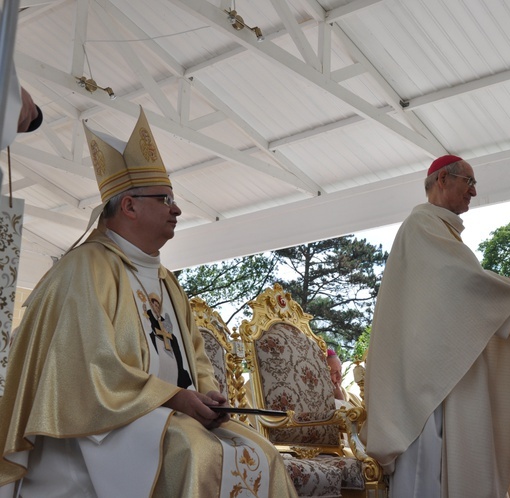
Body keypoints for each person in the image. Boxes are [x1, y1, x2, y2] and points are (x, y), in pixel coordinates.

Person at [0, 107, 296, 497]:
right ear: (129, 206)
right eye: (165, 198)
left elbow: (195, 356)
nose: (176, 209)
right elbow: (88, 369)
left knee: (262, 451)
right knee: (196, 452)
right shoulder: (85, 269)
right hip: (98, 425)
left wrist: (206, 396)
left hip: (166, 411)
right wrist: (174, 397)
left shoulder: (166, 280)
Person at [362, 154, 510, 498]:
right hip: (427, 384)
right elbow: (461, 287)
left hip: (437, 373)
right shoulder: (422, 226)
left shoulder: (439, 230)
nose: (474, 192)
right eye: (468, 181)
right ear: (442, 180)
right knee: (428, 470)